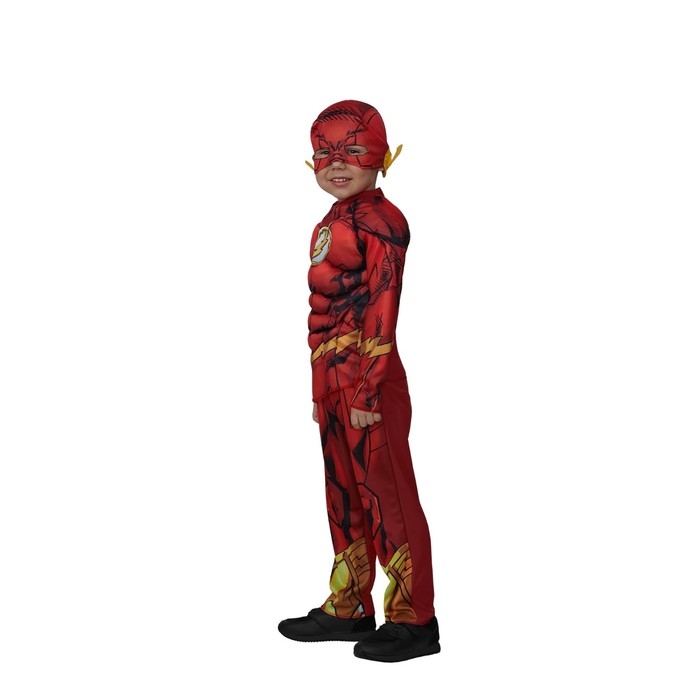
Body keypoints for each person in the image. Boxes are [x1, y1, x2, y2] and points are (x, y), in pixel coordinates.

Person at [278, 100, 439, 663]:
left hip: (369, 377)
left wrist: (368, 386)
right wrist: (321, 388)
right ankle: (349, 606)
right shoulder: (332, 221)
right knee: (343, 494)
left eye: (353, 149)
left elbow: (383, 304)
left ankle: (414, 621)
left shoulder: (380, 220)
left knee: (385, 495)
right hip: (332, 377)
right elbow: (322, 311)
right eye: (324, 153)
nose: (337, 163)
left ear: (382, 157)